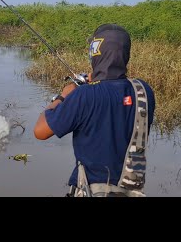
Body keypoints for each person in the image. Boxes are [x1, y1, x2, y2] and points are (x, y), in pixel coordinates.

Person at [33, 24, 155, 197]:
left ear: (95, 52)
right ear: (125, 54)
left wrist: (62, 96)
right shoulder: (144, 90)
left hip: (91, 191)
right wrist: (98, 80)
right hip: (131, 191)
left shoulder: (84, 95)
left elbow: (40, 132)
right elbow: (114, 100)